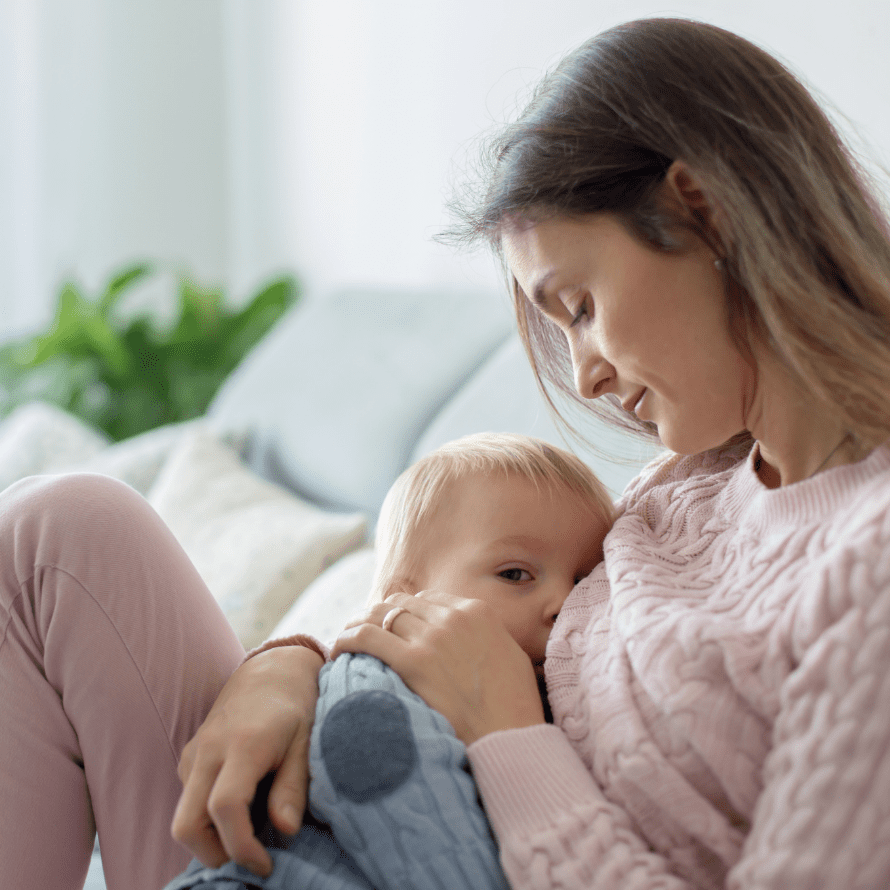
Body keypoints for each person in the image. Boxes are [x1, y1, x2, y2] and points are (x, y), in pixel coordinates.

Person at [3, 15, 890, 890]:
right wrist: (293, 664)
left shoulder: (868, 563)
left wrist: (508, 738)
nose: (583, 379)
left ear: (704, 214)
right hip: (333, 832)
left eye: (578, 305)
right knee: (60, 532)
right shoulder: (690, 484)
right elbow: (459, 581)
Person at [163, 432, 613, 890]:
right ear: (404, 599)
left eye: (584, 581)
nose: (563, 603)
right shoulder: (374, 681)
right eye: (515, 574)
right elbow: (392, 807)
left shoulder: (560, 699)